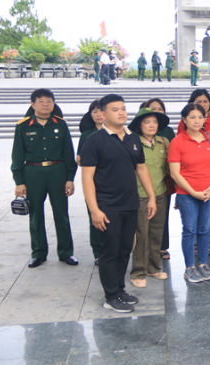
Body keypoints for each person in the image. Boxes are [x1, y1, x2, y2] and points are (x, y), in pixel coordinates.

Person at [80, 94, 155, 313]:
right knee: (109, 252)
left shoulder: (133, 138)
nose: (121, 112)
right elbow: (87, 178)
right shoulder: (94, 141)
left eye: (123, 108)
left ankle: (120, 289)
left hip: (130, 204)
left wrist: (151, 197)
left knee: (124, 250)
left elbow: (141, 168)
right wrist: (94, 210)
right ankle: (110, 296)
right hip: (107, 206)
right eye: (115, 109)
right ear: (102, 115)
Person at [11, 89, 78, 268]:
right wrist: (19, 181)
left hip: (58, 172)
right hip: (33, 174)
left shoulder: (61, 125)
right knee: (35, 215)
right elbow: (17, 155)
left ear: (54, 104)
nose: (46, 104)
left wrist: (70, 178)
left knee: (61, 214)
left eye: (49, 101)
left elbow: (69, 153)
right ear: (33, 105)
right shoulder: (23, 126)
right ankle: (38, 253)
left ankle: (66, 252)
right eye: (41, 101)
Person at [168, 103, 210, 282]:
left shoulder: (208, 138)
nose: (197, 120)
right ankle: (190, 267)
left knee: (204, 230)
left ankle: (203, 264)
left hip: (208, 191)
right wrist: (193, 192)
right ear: (184, 120)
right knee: (190, 230)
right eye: (192, 117)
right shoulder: (177, 142)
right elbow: (175, 173)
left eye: (200, 117)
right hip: (186, 193)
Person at [178, 89, 210, 254]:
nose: (203, 104)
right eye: (199, 101)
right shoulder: (183, 124)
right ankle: (196, 243)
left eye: (205, 101)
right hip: (190, 176)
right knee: (190, 217)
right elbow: (180, 147)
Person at [127, 108, 171, 288]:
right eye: (147, 122)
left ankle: (153, 267)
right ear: (139, 125)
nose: (151, 125)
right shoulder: (132, 142)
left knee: (156, 232)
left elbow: (168, 168)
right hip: (139, 194)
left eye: (154, 122)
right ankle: (138, 271)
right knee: (141, 234)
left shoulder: (164, 142)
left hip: (160, 193)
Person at [141, 98, 175, 261]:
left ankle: (161, 246)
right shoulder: (134, 138)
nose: (156, 111)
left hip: (162, 185)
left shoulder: (166, 134)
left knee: (162, 218)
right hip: (140, 188)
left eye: (159, 109)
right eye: (152, 109)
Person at [77, 100, 105, 265]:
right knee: (94, 216)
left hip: (114, 181)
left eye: (101, 111)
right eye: (94, 111)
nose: (98, 114)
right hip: (94, 181)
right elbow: (80, 159)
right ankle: (98, 252)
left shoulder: (119, 131)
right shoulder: (87, 135)